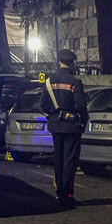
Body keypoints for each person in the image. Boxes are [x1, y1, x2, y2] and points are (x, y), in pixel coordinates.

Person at [40, 49, 88, 209]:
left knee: (58, 160)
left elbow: (43, 105)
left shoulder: (49, 82)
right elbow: (81, 105)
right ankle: (67, 194)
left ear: (58, 62)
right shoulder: (75, 82)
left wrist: (53, 115)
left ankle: (60, 193)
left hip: (55, 125)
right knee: (70, 161)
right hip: (71, 127)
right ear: (72, 64)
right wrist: (83, 121)